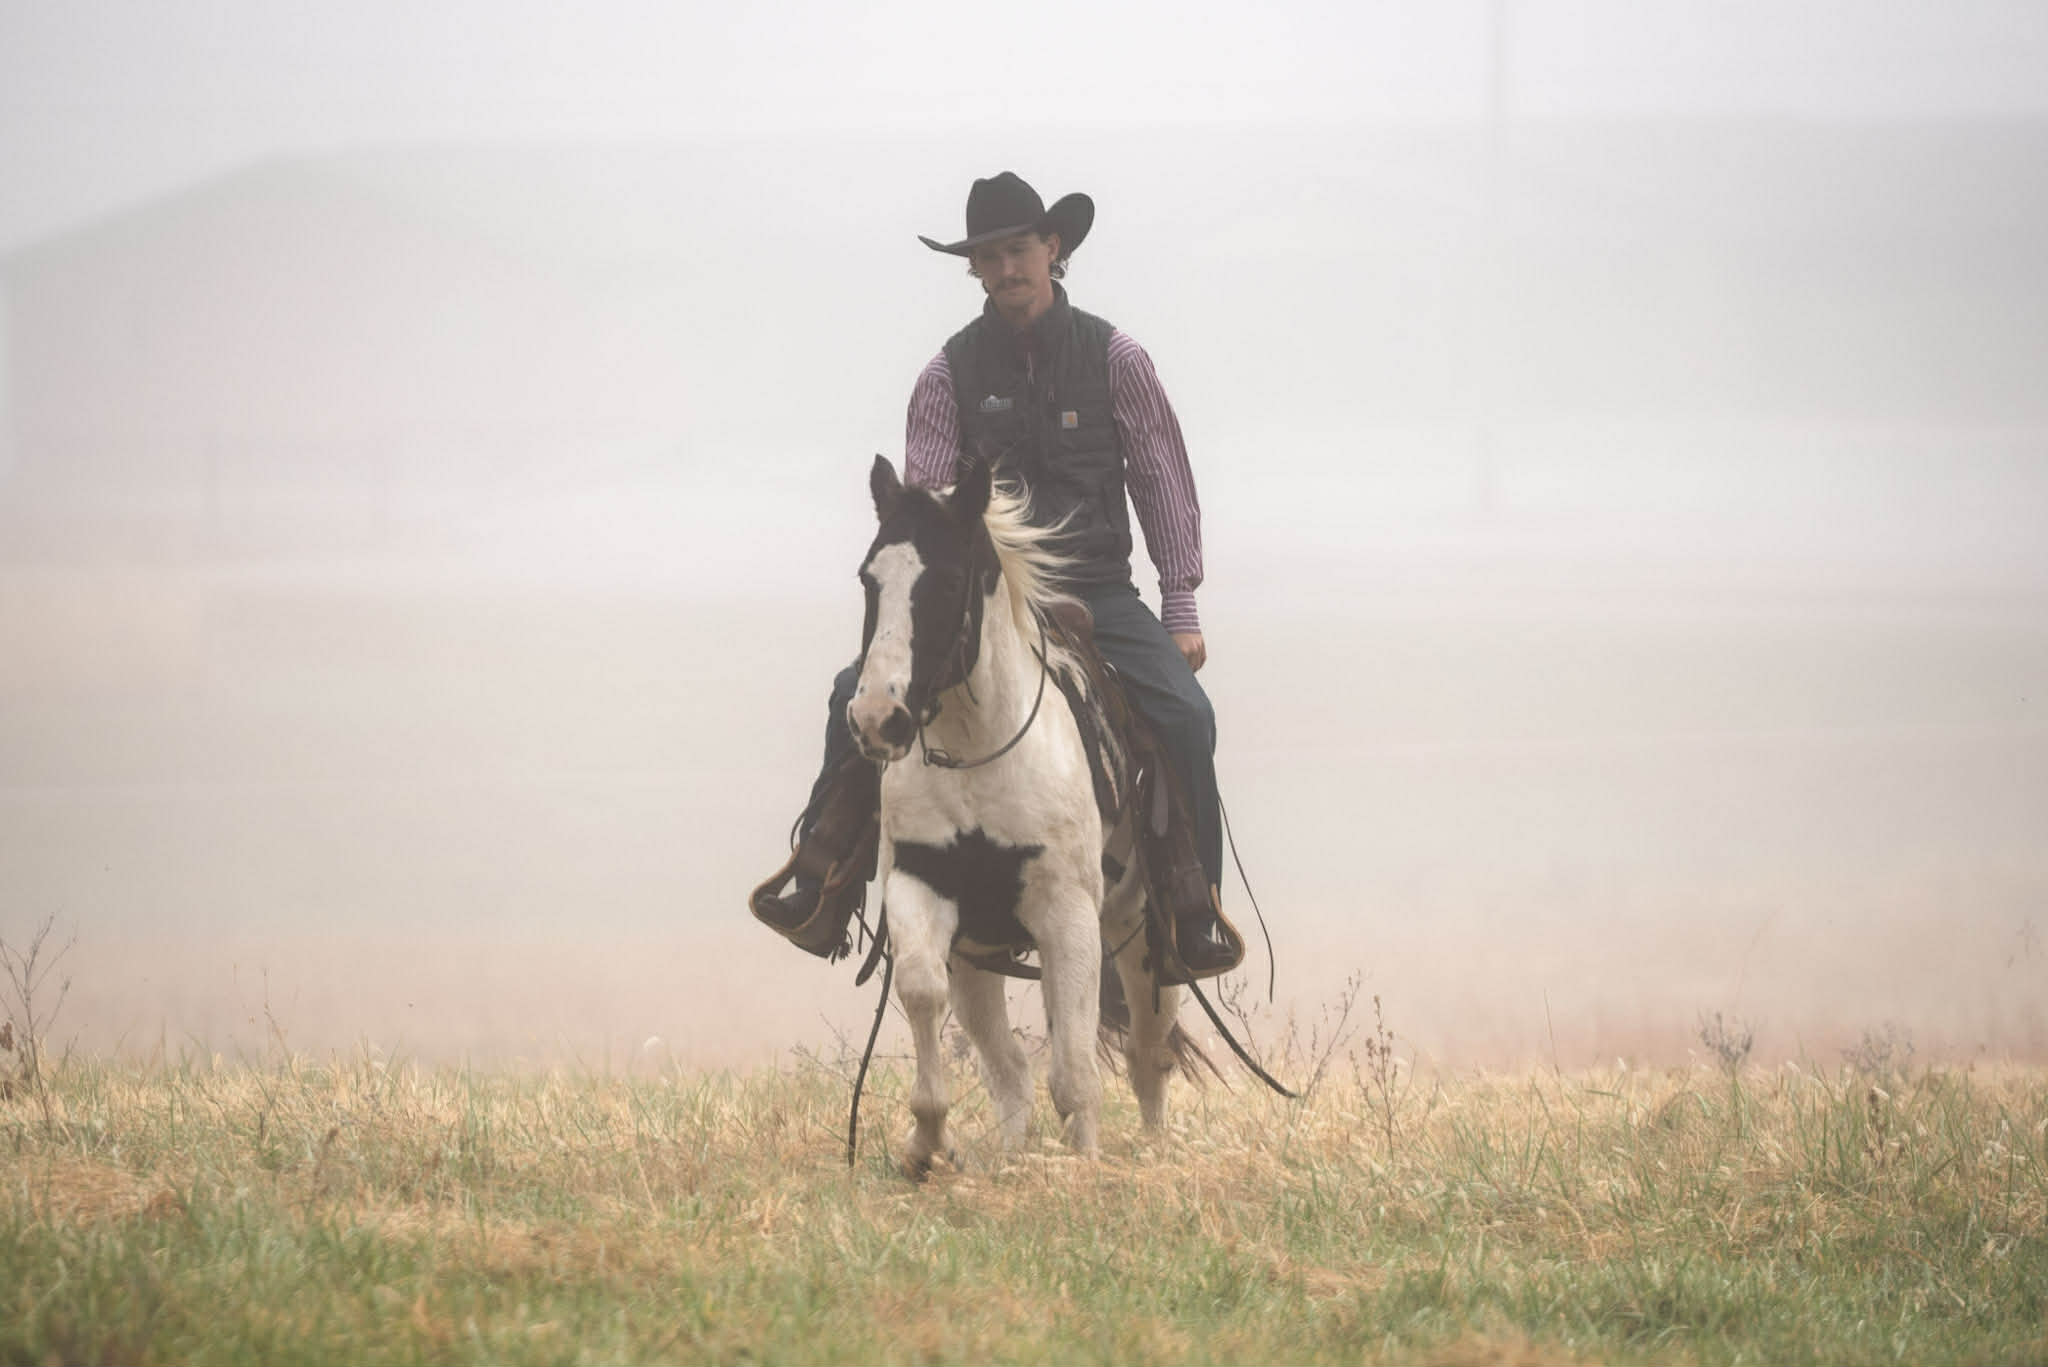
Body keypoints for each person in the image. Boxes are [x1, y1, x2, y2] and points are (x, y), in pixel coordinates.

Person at [751, 171, 1240, 980]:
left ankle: (1190, 906)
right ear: (973, 269)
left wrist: (1180, 602)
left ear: (1055, 249)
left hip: (1099, 593)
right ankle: (826, 875)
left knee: (1186, 716)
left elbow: (1161, 479)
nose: (1007, 269)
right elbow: (924, 515)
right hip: (988, 604)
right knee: (854, 696)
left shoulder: (1117, 358)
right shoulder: (945, 378)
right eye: (989, 257)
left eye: (1019, 250)